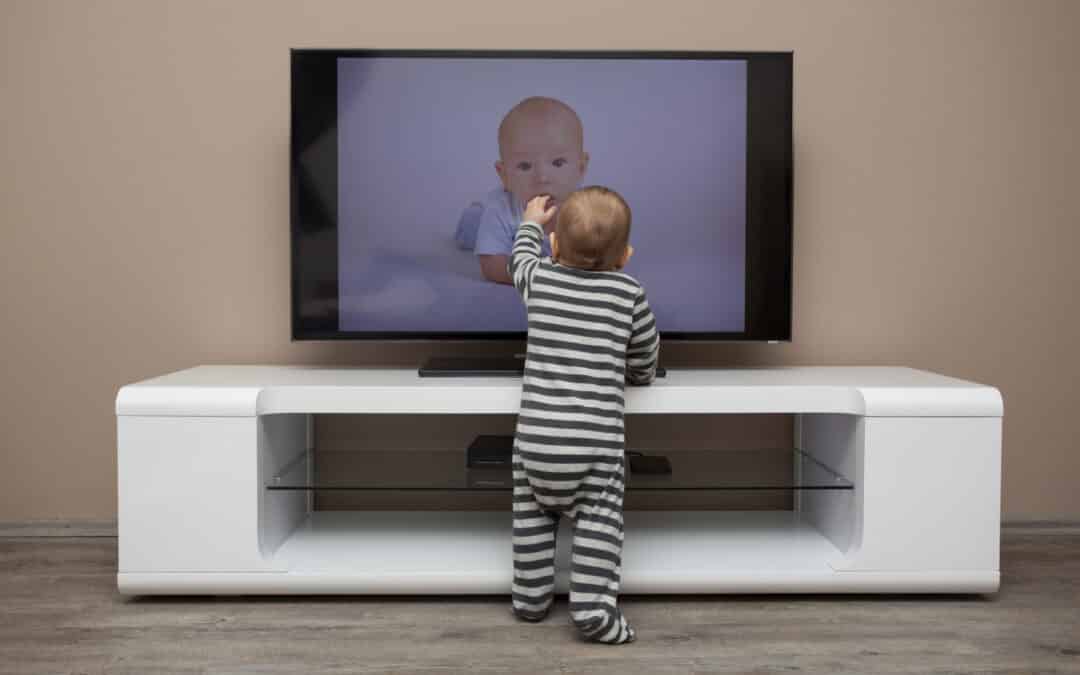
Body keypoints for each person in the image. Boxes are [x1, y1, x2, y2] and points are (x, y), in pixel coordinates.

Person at [508, 186, 659, 645]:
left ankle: (530, 600)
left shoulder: (540, 280)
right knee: (598, 526)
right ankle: (593, 612)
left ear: (554, 248)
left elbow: (519, 261)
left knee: (531, 519)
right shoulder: (629, 292)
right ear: (626, 255)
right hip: (594, 449)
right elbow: (645, 355)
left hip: (535, 443)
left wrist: (532, 223)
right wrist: (637, 374)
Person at [454, 96, 590, 284]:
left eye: (558, 163)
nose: (542, 178)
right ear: (505, 176)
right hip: (483, 225)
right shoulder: (501, 211)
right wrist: (534, 277)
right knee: (470, 231)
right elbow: (491, 265)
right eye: (525, 166)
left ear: (580, 168)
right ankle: (473, 216)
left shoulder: (587, 209)